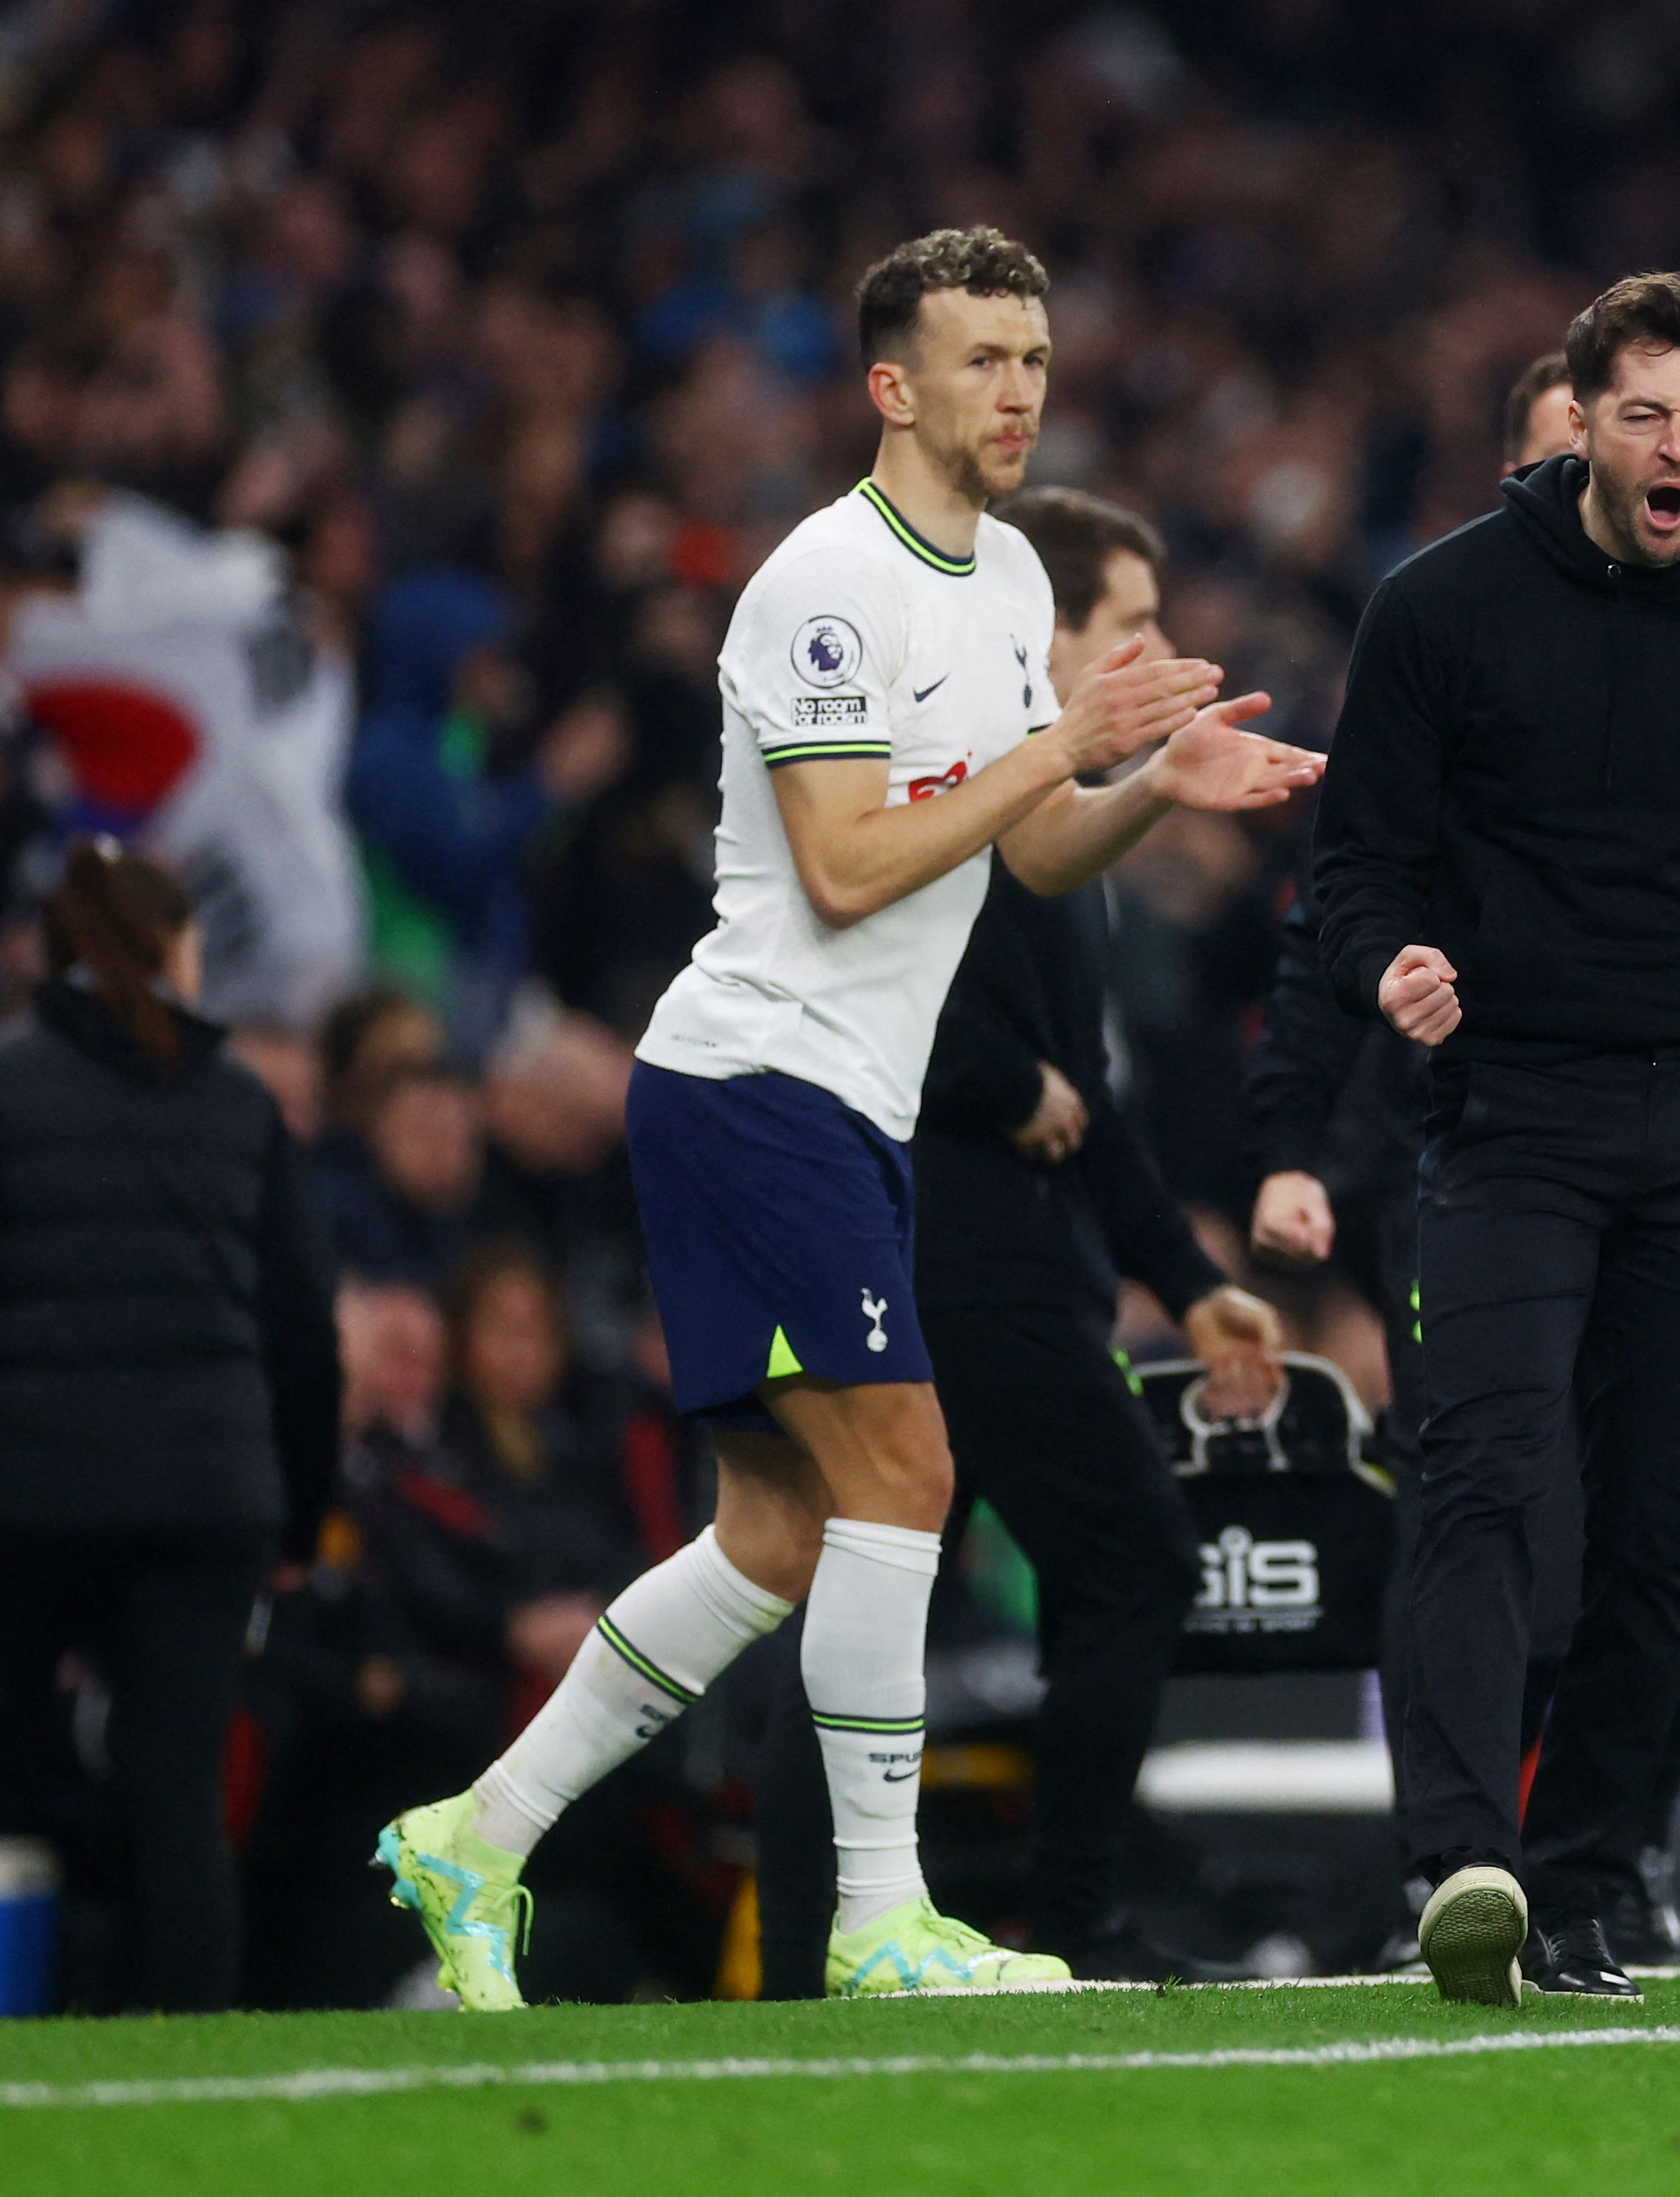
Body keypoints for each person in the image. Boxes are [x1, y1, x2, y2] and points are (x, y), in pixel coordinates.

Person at [373, 225, 1321, 2010]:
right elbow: (845, 860)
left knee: (779, 1538)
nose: (1021, 389)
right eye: (983, 360)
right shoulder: (824, 581)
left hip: (837, 1105)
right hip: (757, 1080)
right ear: (893, 386)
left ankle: (476, 1837)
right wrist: (1060, 747)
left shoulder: (1004, 582)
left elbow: (1028, 849)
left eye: (1036, 357)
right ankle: (881, 1923)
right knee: (911, 1470)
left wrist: (1141, 788)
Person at [1310, 274, 1680, 2003]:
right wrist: (1389, 964)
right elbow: (1354, 865)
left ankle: (1582, 1882)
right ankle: (1455, 1861)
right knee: (1488, 1484)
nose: (1678, 449)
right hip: (1511, 1118)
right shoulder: (1441, 609)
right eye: (1646, 414)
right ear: (1579, 419)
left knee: (1669, 1527)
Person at [747, 484, 1289, 1990]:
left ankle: (812, 1957)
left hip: (960, 1252)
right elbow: (850, 976)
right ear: (1042, 637)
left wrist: (1190, 1285)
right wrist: (1009, 1082)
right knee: (1131, 1566)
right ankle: (1074, 1918)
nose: (1161, 646)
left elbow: (1088, 1092)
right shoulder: (943, 785)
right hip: (955, 1254)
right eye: (1130, 621)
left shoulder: (1049, 824)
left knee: (869, 1601)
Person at [0, 841, 340, 2012]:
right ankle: (188, 2046)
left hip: (28, 1495)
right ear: (175, 949)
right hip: (209, 1499)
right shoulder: (241, 1102)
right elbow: (305, 1332)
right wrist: (300, 1516)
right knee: (179, 1794)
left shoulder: (9, 1083)